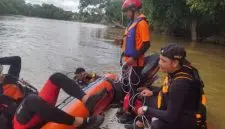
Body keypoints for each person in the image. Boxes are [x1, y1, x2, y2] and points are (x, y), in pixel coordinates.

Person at [0, 56, 106, 129]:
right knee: (31, 100)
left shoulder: (9, 79)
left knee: (56, 77)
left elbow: (16, 60)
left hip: (37, 108)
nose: (1, 74)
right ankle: (82, 123)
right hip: (20, 124)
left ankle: (88, 101)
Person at [125, 44, 207, 129]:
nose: (159, 63)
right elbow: (166, 86)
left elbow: (171, 117)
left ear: (175, 63)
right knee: (147, 93)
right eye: (160, 59)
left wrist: (146, 109)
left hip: (186, 119)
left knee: (157, 125)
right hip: (178, 107)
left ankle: (148, 121)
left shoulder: (180, 84)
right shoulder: (178, 69)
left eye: (163, 61)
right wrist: (152, 92)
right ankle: (139, 124)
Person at [117, 0, 151, 123]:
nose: (126, 14)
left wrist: (133, 58)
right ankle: (124, 107)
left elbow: (146, 44)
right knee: (125, 85)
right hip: (128, 62)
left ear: (134, 10)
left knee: (132, 88)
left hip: (135, 64)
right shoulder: (132, 24)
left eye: (127, 11)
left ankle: (129, 113)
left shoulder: (142, 23)